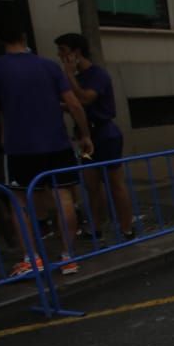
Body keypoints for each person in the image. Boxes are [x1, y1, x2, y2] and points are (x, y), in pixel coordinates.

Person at [0, 20, 93, 276]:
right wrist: (84, 134)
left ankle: (32, 258)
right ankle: (67, 256)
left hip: (19, 146)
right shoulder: (49, 67)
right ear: (24, 36)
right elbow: (74, 104)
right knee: (64, 197)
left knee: (20, 202)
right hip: (56, 141)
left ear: (0, 39)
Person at [56, 33, 136, 241]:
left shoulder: (97, 75)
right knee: (91, 184)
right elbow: (75, 104)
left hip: (105, 134)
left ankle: (127, 227)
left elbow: (85, 99)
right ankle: (96, 228)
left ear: (76, 52)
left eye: (63, 50)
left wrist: (69, 76)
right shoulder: (77, 77)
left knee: (115, 182)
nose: (60, 55)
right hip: (86, 136)